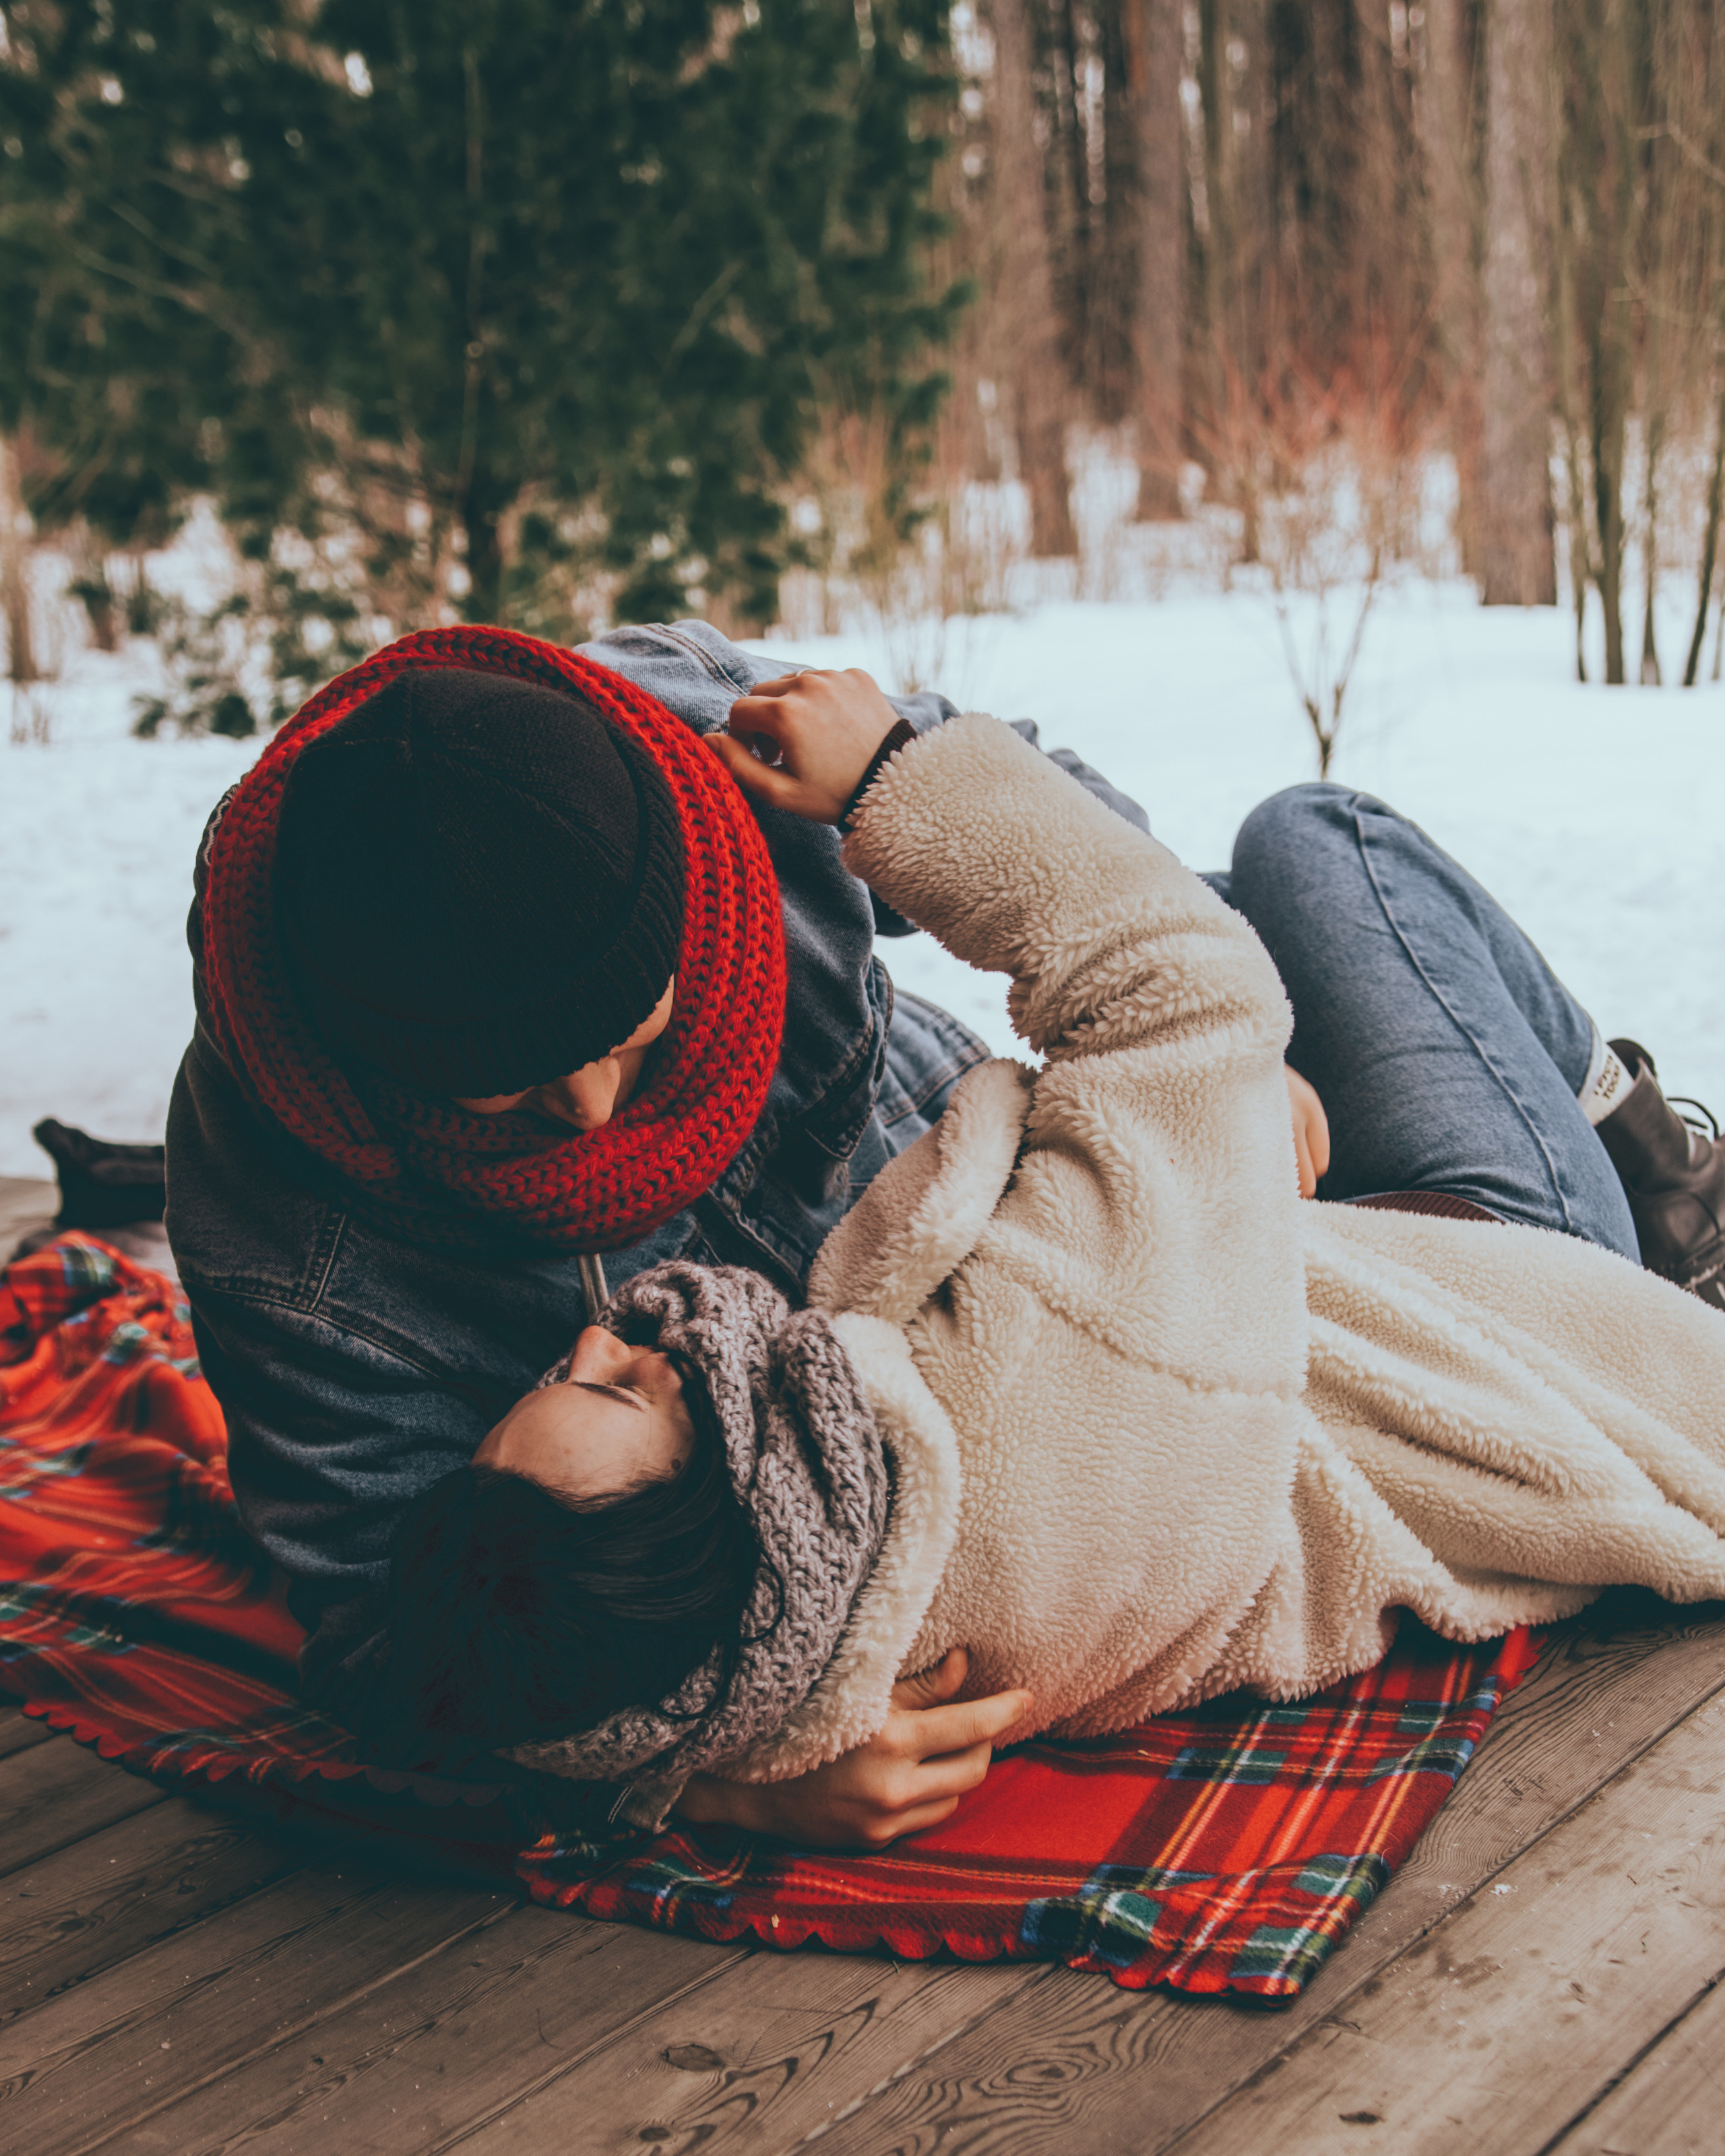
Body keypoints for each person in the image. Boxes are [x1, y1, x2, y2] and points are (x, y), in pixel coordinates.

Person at [386, 667, 1725, 1846]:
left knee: (1249, 931)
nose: (593, 1332)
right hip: (1510, 1318)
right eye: (618, 1387)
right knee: (1312, 845)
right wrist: (897, 779)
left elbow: (509, 1679)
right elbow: (1186, 991)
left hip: (1250, 1319)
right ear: (723, 1489)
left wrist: (694, 1794)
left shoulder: (765, 1671)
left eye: (563, 1372)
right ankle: (1662, 1187)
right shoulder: (1020, 1396)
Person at [163, 621, 1152, 1845]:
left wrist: (900, 772)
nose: (589, 1112)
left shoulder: (729, 742)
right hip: (1006, 1464)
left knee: (1322, 844)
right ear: (377, 1055)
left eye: (631, 1032)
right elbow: (390, 1645)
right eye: (508, 1089)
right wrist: (703, 1781)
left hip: (1048, 1242)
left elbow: (1071, 826)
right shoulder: (272, 1223)